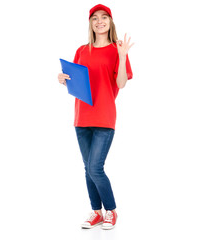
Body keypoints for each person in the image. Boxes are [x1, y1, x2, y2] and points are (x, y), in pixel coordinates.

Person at [58, 4, 134, 230]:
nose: (99, 21)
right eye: (94, 18)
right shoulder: (82, 50)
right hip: (82, 118)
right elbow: (77, 83)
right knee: (87, 168)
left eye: (104, 17)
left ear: (110, 22)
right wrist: (63, 79)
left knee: (95, 168)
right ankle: (96, 212)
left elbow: (121, 83)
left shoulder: (117, 50)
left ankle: (111, 211)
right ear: (90, 24)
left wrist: (122, 57)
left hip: (104, 118)